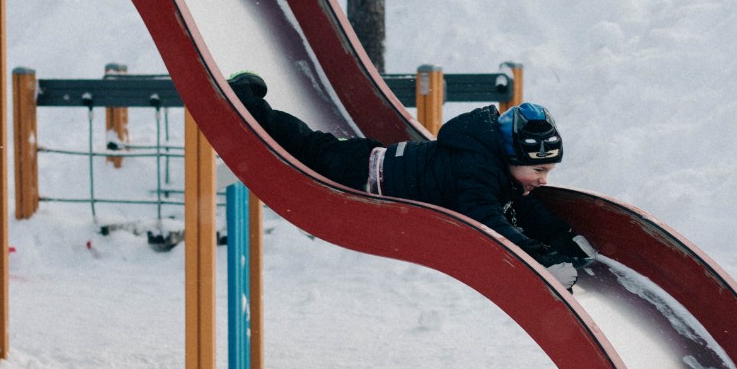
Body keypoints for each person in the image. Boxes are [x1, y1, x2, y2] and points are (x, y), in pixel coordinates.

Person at [229, 73, 593, 277]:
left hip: (378, 159)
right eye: (539, 169)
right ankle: (247, 102)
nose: (544, 179)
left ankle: (255, 106)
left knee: (313, 144)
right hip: (360, 172)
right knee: (307, 147)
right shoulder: (478, 172)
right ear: (512, 157)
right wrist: (541, 260)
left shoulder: (503, 170)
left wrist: (563, 238)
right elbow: (491, 223)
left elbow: (526, 212)